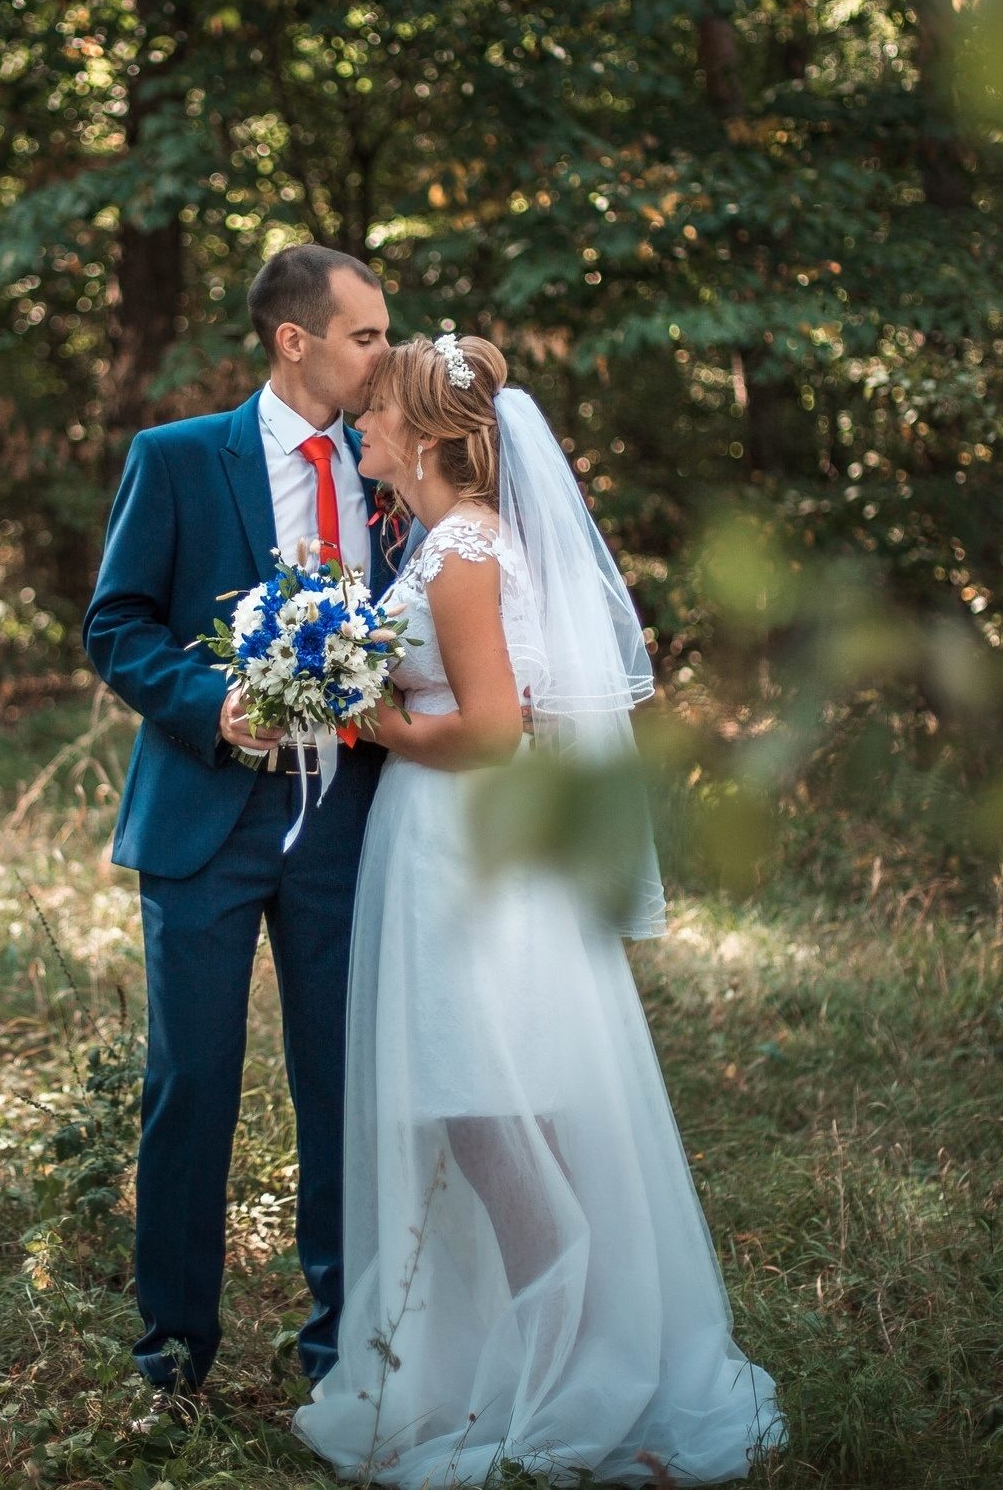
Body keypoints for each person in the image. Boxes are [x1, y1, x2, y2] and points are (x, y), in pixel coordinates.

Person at [292, 332, 784, 1484]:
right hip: (447, 847)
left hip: (468, 847)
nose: (360, 429)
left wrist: (376, 725)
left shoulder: (461, 546)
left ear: (417, 435)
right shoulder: (440, 539)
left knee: (491, 1114)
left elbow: (494, 726)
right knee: (486, 1116)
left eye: (372, 416)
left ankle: (584, 1370)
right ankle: (539, 1351)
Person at [81, 242, 408, 1422]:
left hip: (352, 819)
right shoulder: (175, 461)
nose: (386, 354)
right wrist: (207, 705)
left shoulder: (390, 467)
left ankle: (342, 1345)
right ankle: (172, 1346)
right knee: (191, 1082)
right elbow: (114, 623)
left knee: (343, 1085)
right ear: (296, 340)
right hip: (206, 815)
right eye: (367, 335)